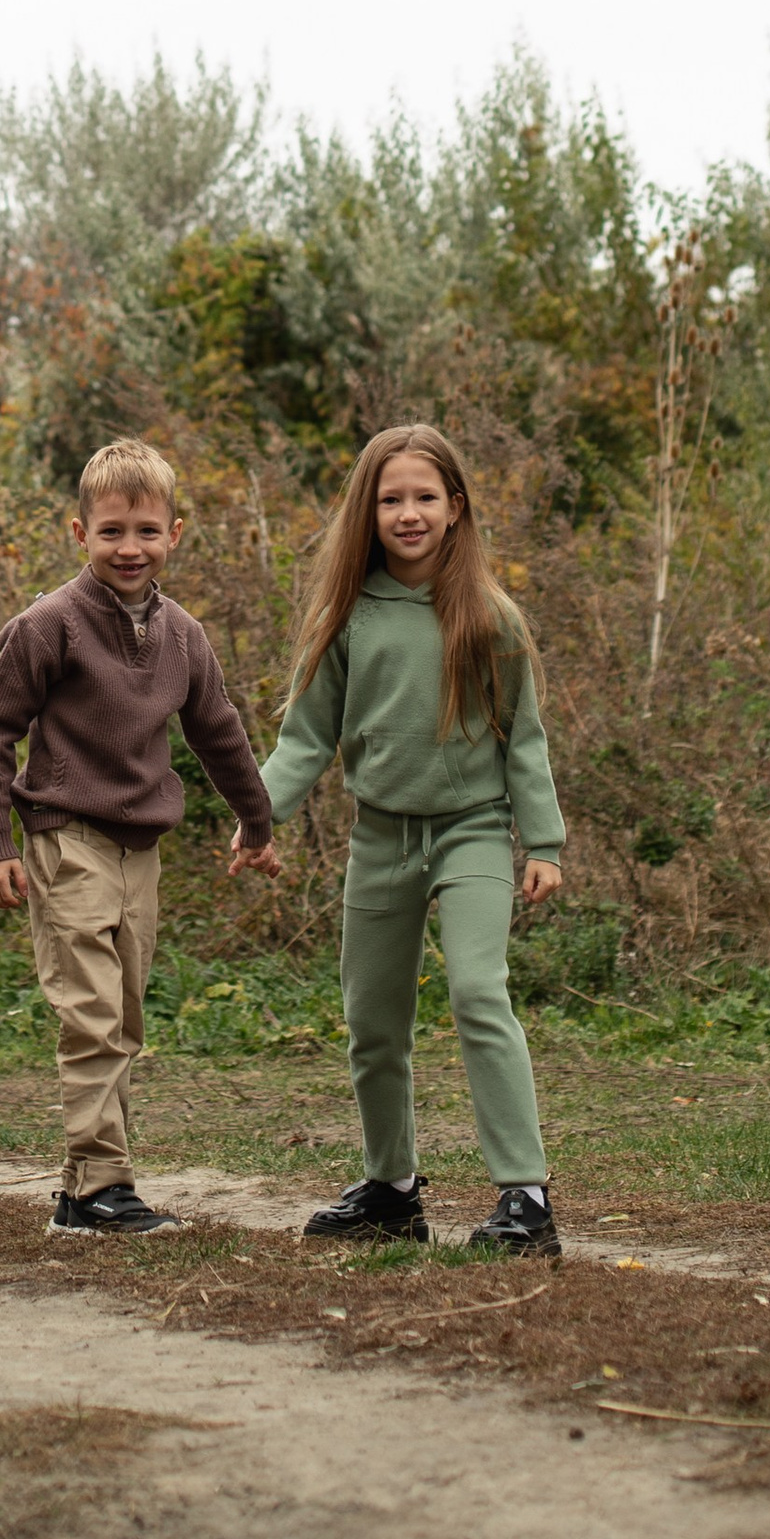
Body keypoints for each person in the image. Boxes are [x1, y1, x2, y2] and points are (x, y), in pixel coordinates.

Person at [257, 421, 568, 1258]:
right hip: (380, 836)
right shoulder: (345, 616)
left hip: (472, 831)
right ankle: (392, 1191)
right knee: (373, 1020)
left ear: (456, 509)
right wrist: (259, 816)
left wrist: (543, 843)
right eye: (390, 499)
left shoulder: (489, 617)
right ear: (369, 510)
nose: (408, 513)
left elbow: (524, 738)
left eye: (424, 497)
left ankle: (526, 1198)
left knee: (477, 990)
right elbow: (304, 740)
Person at [0, 436, 279, 1235]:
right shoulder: (49, 626)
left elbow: (219, 732)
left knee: (125, 1016)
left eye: (146, 530)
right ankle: (106, 1181)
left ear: (176, 533)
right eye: (111, 531)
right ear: (80, 534)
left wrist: (257, 820)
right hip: (65, 837)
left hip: (140, 848)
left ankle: (81, 1193)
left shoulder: (184, 636)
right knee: (93, 1011)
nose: (129, 547)